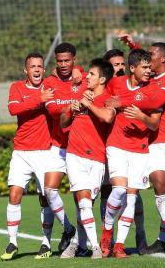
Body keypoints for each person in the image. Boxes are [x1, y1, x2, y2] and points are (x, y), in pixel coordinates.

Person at [112, 40, 165, 254]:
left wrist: (121, 101)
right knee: (159, 183)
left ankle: (162, 239)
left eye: (152, 55)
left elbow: (156, 100)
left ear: (162, 58)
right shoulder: (149, 79)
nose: (148, 58)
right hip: (154, 141)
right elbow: (137, 67)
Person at [100, 49, 161, 258]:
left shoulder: (153, 90)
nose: (149, 71)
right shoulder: (115, 84)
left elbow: (154, 125)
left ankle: (119, 245)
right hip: (116, 144)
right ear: (132, 68)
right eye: (144, 67)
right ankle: (107, 230)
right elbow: (107, 102)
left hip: (140, 149)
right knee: (118, 190)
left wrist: (141, 115)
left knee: (132, 198)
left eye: (150, 67)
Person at [59, 58, 115, 259]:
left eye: (91, 74)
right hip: (75, 155)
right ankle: (95, 248)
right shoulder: (83, 95)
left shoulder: (108, 98)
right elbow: (62, 122)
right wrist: (70, 109)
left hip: (98, 158)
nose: (87, 77)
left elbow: (108, 117)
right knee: (83, 202)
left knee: (86, 205)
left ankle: (76, 244)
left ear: (102, 79)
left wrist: (87, 104)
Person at [1, 52, 55, 260]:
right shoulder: (17, 87)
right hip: (21, 151)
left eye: (39, 66)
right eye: (32, 66)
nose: (36, 69)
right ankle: (12, 243)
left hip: (44, 152)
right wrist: (38, 99)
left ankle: (46, 243)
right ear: (26, 70)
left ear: (43, 68)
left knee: (45, 198)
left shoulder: (50, 86)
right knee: (14, 195)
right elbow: (14, 109)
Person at [43, 42, 86, 255]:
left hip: (80, 147)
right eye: (59, 61)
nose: (62, 64)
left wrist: (81, 73)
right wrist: (70, 106)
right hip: (58, 145)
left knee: (81, 198)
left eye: (67, 60)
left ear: (74, 60)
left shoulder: (84, 78)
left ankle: (82, 242)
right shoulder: (49, 82)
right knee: (49, 190)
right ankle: (68, 229)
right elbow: (53, 111)